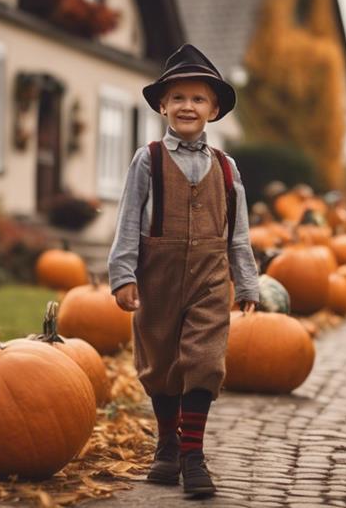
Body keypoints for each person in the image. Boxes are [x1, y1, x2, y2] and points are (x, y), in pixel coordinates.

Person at [108, 44, 259, 498]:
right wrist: (123, 274)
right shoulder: (147, 159)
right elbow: (129, 219)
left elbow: (239, 232)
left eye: (197, 99)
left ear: (213, 109)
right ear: (162, 105)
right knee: (160, 364)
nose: (187, 106)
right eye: (178, 98)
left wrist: (246, 279)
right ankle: (167, 444)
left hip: (211, 276)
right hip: (157, 274)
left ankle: (193, 454)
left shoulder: (226, 168)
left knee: (205, 360)